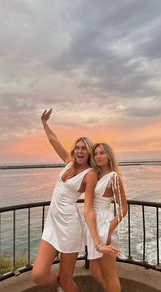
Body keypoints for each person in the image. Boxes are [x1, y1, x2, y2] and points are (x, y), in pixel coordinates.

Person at [31, 109, 118, 292]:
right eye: (77, 147)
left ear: (89, 153)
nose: (79, 151)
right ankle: (62, 284)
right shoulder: (69, 161)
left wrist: (97, 242)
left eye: (84, 148)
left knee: (67, 280)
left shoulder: (90, 174)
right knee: (37, 275)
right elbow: (54, 140)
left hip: (70, 227)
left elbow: (87, 209)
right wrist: (44, 123)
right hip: (52, 223)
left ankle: (65, 284)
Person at [84, 143, 128, 292]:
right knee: (95, 272)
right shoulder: (94, 174)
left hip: (104, 224)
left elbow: (123, 208)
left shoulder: (113, 177)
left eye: (102, 153)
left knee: (110, 274)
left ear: (109, 155)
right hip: (92, 225)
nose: (98, 156)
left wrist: (109, 228)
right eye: (95, 154)